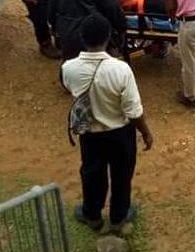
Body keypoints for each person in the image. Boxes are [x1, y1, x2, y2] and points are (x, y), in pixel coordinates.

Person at [62, 12, 153, 231]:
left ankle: (92, 214)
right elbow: (133, 111)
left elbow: (70, 88)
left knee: (92, 173)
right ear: (108, 37)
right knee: (122, 175)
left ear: (83, 38)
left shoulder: (68, 68)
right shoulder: (121, 69)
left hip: (90, 133)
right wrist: (146, 132)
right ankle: (119, 216)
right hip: (120, 133)